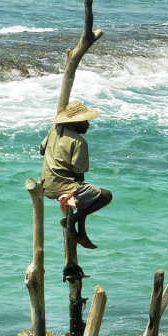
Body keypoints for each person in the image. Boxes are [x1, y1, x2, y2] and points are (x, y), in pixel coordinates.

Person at [40, 100, 112, 249]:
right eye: (85, 121)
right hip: (63, 186)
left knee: (86, 195)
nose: (88, 124)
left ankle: (82, 234)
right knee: (105, 195)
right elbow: (79, 172)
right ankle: (70, 221)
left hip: (46, 185)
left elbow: (42, 150)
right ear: (76, 122)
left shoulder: (54, 130)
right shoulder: (79, 141)